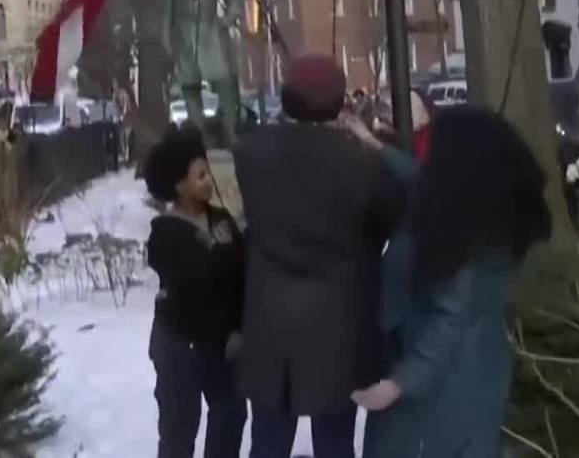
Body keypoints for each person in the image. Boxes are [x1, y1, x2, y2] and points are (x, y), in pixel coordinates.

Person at [233, 54, 405, 458]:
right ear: (340, 101)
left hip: (269, 323)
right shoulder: (361, 162)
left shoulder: (248, 153)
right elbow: (388, 220)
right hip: (340, 325)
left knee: (268, 441)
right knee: (336, 442)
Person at [355, 106, 553, 456]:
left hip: (438, 387)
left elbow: (448, 320)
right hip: (483, 368)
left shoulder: (458, 238)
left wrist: (398, 384)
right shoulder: (489, 214)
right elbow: (420, 180)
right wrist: (376, 146)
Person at [144, 124, 247, 458]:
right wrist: (220, 255)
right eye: (200, 175)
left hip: (223, 344)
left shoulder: (220, 218)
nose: (209, 180)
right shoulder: (164, 235)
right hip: (180, 344)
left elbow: (241, 270)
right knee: (180, 426)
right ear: (179, 185)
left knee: (231, 414)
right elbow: (197, 284)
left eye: (208, 172)